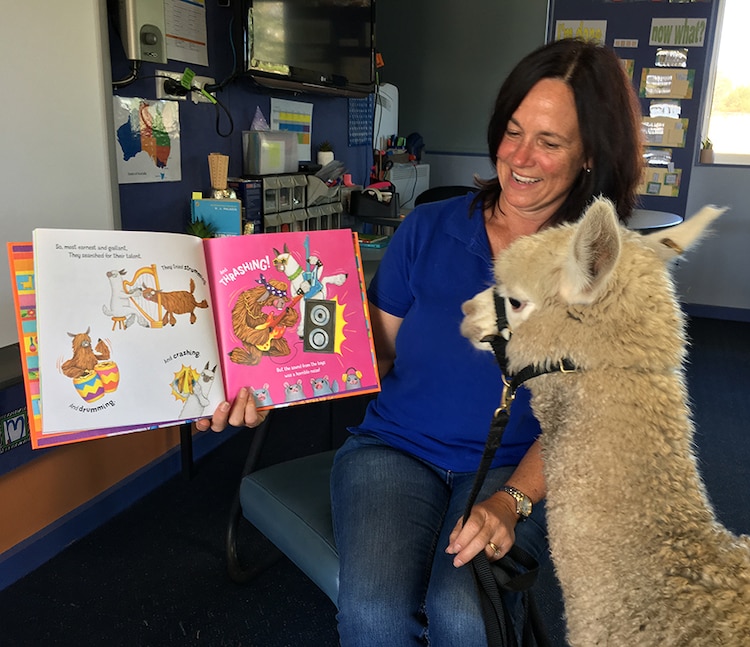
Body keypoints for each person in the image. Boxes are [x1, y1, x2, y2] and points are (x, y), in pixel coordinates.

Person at [199, 37, 643, 645]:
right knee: (375, 614)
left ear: (590, 153)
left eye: (550, 141)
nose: (520, 157)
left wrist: (512, 502)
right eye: (513, 131)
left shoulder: (607, 271)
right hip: (393, 450)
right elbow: (371, 353)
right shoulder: (430, 227)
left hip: (512, 467)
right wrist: (279, 382)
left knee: (462, 615)